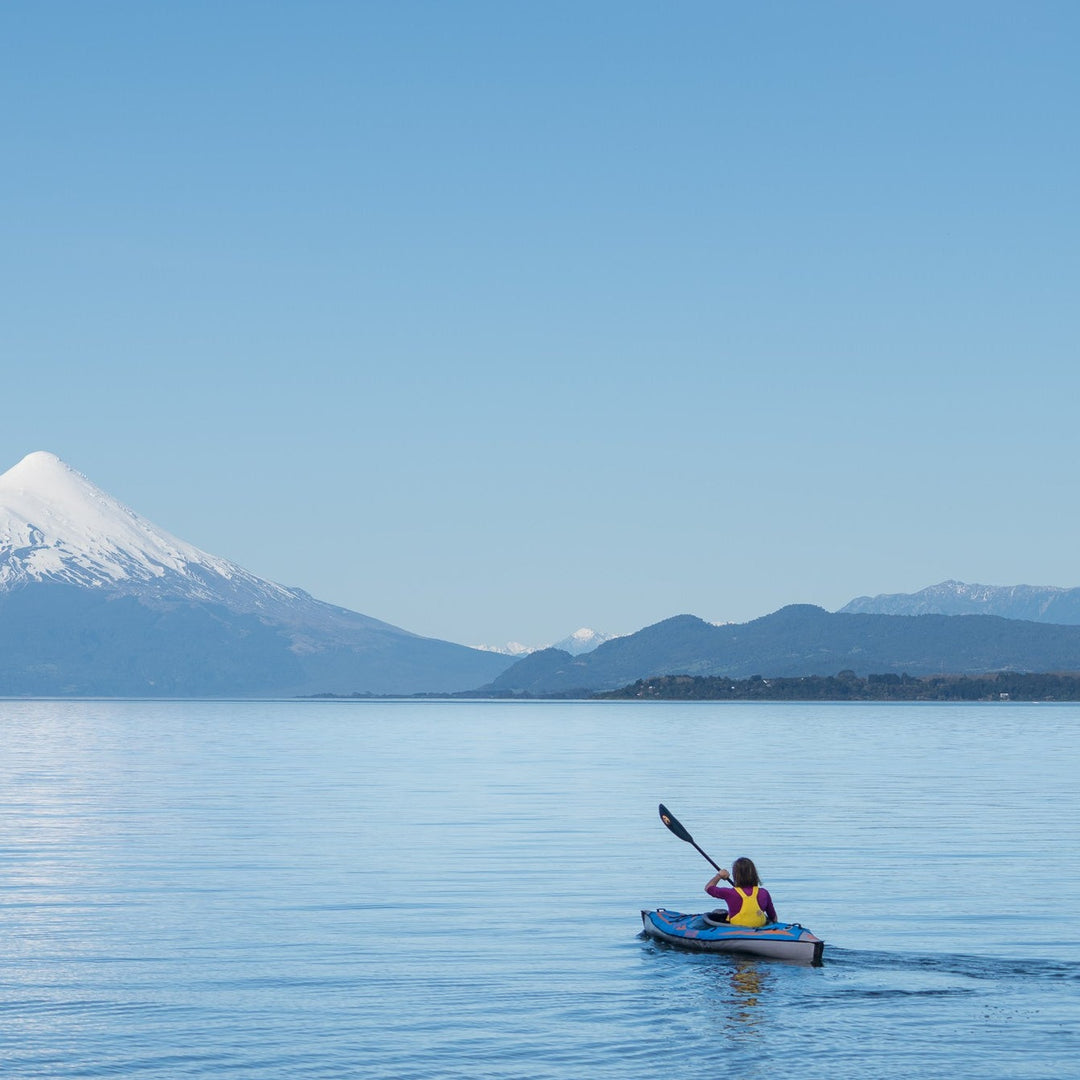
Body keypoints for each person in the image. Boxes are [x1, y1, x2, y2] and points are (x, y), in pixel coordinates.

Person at [704, 857, 777, 927]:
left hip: (737, 930)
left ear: (735, 875)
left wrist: (719, 876)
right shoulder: (764, 893)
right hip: (759, 930)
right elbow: (773, 918)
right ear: (754, 874)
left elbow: (708, 888)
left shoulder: (730, 893)